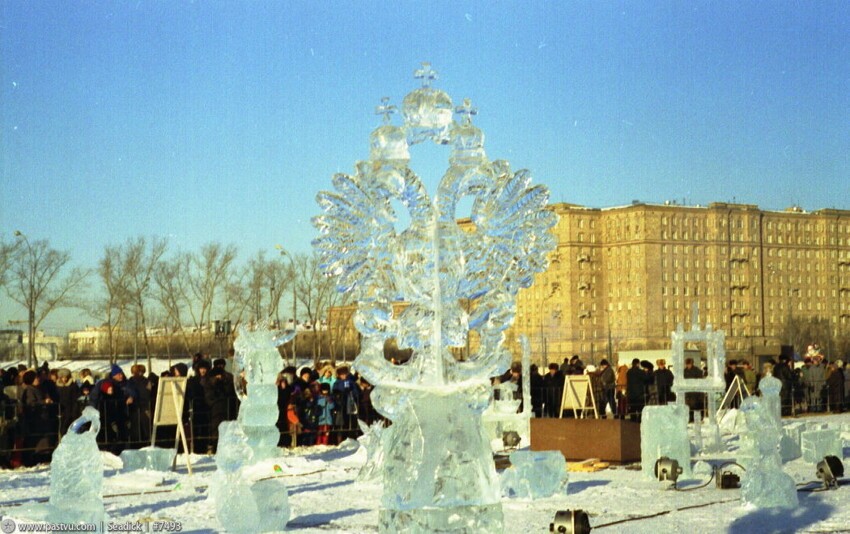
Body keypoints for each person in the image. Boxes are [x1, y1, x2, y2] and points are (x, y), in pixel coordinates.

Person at [331, 367, 360, 442]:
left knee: (350, 420)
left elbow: (355, 392)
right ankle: (341, 437)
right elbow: (334, 393)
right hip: (340, 404)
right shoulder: (337, 383)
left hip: (349, 403)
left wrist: (352, 393)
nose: (343, 376)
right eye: (342, 374)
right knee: (340, 422)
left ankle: (350, 436)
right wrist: (337, 395)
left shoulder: (350, 382)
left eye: (344, 374)